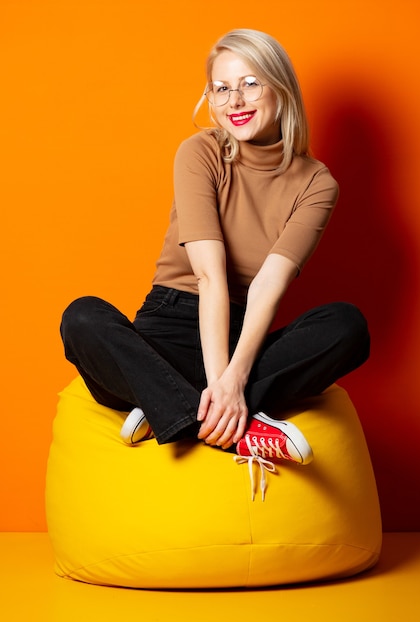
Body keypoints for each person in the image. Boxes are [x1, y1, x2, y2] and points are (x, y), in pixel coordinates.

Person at [60, 29, 370, 497]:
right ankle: (226, 425)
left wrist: (232, 380)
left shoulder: (316, 184)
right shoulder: (201, 152)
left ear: (279, 87)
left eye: (250, 83)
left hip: (243, 332)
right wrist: (221, 388)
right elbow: (209, 275)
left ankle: (169, 408)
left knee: (347, 326)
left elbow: (268, 286)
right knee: (82, 317)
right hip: (166, 328)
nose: (234, 100)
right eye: (221, 88)